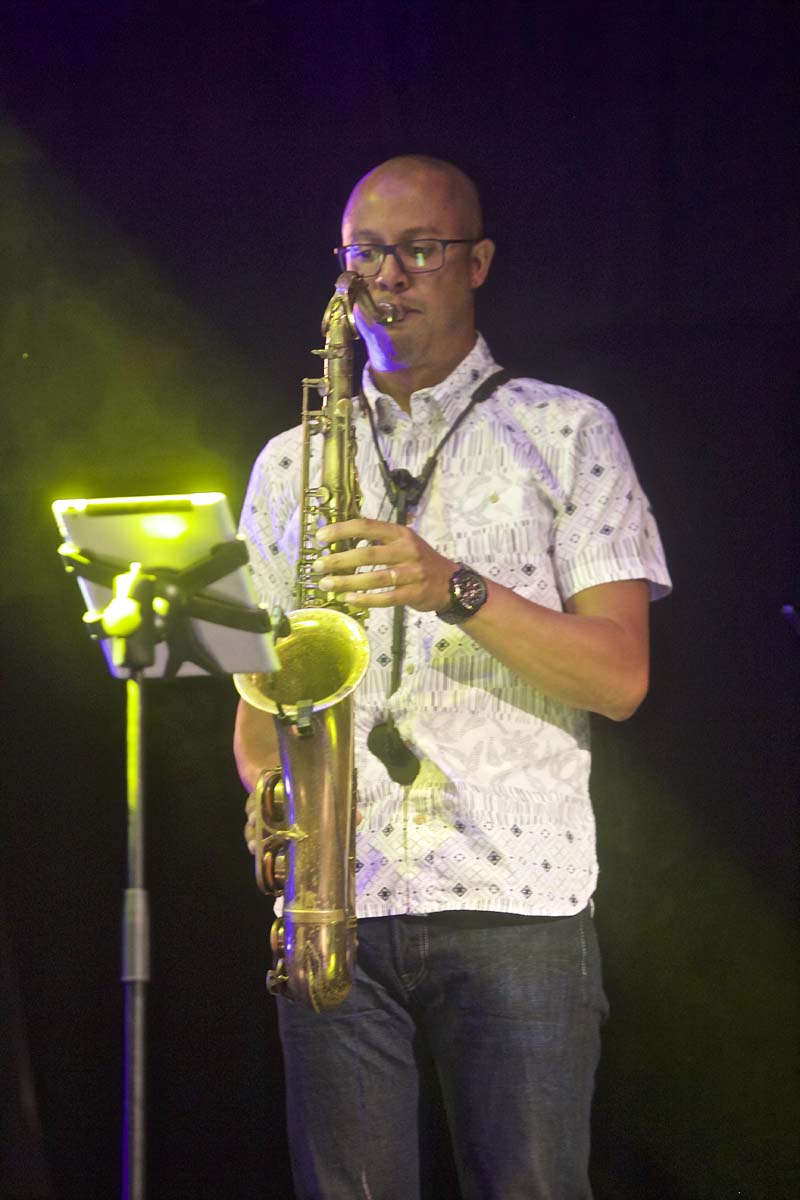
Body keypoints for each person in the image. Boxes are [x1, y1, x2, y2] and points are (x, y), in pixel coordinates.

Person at [234, 155, 671, 1200]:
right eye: (366, 253)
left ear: (476, 263)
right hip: (337, 898)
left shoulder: (570, 430)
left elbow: (619, 677)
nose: (387, 277)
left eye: (418, 251)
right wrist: (274, 803)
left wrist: (451, 588)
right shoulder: (285, 462)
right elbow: (254, 697)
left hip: (515, 898)